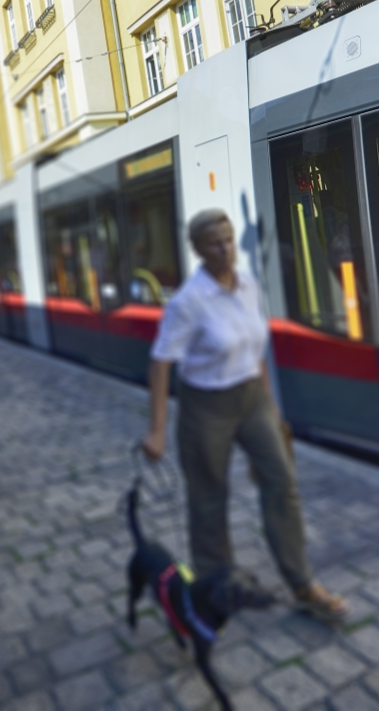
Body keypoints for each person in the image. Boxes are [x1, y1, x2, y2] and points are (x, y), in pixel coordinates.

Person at [141, 209, 349, 622]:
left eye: (229, 239)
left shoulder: (249, 286)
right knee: (208, 499)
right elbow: (161, 362)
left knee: (281, 482)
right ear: (198, 249)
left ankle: (302, 583)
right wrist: (158, 430)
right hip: (206, 407)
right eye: (215, 243)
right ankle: (217, 587)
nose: (225, 249)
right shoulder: (189, 301)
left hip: (251, 399)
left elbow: (257, 352)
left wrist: (272, 407)